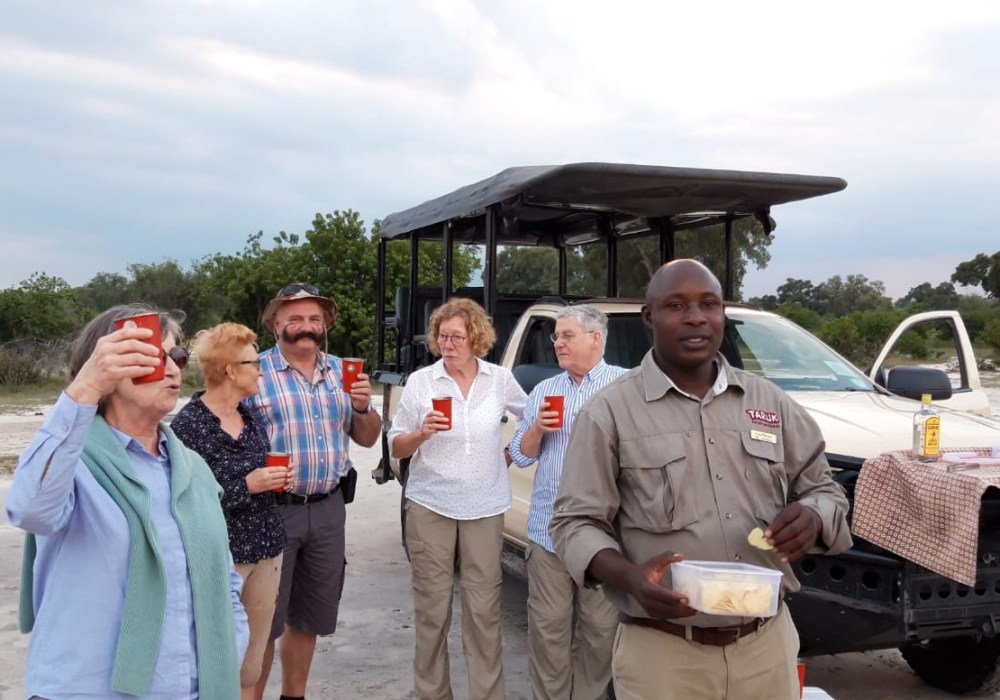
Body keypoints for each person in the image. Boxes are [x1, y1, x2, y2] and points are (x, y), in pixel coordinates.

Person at [549, 260, 853, 700]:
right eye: (676, 305)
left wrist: (813, 515)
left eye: (709, 304)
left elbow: (825, 489)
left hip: (766, 647)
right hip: (664, 654)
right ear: (649, 317)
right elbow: (574, 522)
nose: (696, 317)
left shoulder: (768, 401)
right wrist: (629, 576)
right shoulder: (610, 412)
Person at [6, 304, 249, 700]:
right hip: (86, 691)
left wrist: (230, 647)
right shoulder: (70, 462)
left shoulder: (191, 469)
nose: (173, 369)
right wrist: (85, 388)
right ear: (108, 369)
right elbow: (30, 508)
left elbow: (224, 580)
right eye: (154, 355)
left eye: (178, 356)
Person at [388, 297, 527, 700]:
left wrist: (512, 452)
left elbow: (533, 414)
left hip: (485, 505)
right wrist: (422, 434)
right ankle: (432, 694)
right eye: (442, 336)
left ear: (476, 338)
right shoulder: (421, 382)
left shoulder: (498, 379)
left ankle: (487, 695)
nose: (448, 344)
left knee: (484, 611)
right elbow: (397, 446)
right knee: (432, 610)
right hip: (431, 504)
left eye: (457, 337)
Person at [248, 283, 381, 700]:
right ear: (276, 324)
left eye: (315, 319)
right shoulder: (254, 371)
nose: (307, 327)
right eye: (296, 319)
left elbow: (367, 438)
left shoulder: (343, 372)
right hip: (270, 511)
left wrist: (362, 407)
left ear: (324, 325)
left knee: (308, 616)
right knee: (262, 620)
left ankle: (294, 696)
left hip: (327, 508)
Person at [508, 305, 626, 700]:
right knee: (548, 630)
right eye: (556, 336)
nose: (557, 342)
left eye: (566, 335)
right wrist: (538, 428)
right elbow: (521, 455)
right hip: (548, 530)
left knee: (600, 631)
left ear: (595, 338)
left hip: (603, 536)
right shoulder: (544, 390)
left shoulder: (624, 388)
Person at [171, 322, 293, 700]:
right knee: (214, 656)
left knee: (251, 661)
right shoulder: (188, 426)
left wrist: (276, 483)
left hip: (267, 550)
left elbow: (260, 478)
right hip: (219, 558)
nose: (261, 370)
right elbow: (183, 501)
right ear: (229, 370)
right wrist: (247, 485)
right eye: (253, 362)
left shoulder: (252, 417)